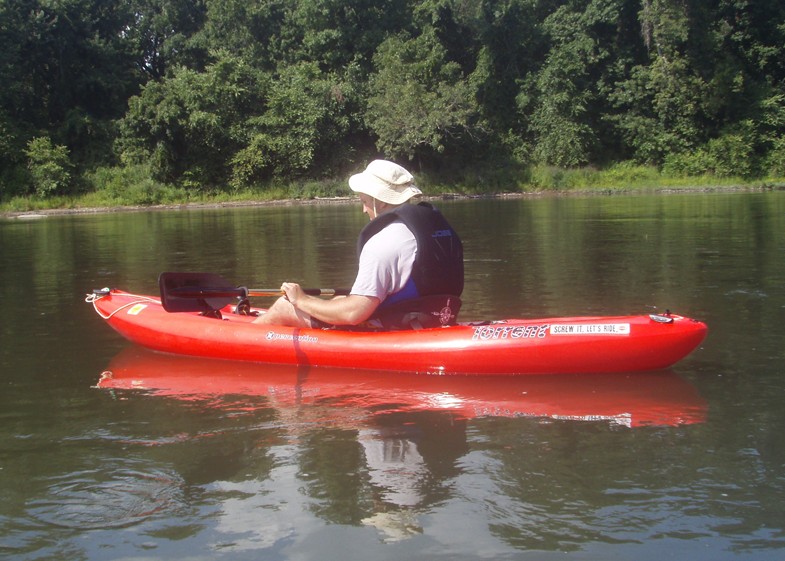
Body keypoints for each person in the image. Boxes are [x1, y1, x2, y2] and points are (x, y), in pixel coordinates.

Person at [254, 159, 463, 330]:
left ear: (380, 201)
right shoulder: (435, 231)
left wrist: (301, 300)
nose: (364, 209)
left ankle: (236, 341)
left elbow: (354, 313)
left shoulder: (383, 243)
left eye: (364, 201)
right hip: (433, 319)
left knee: (283, 307)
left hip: (393, 328)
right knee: (338, 300)